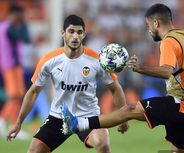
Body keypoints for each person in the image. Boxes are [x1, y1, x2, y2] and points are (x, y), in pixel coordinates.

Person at [60, 4, 184, 153]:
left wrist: (140, 68)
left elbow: (166, 72)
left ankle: (77, 124)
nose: (148, 30)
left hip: (180, 104)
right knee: (178, 150)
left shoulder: (169, 41)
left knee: (129, 110)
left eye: (148, 25)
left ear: (156, 23)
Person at [6, 15, 129, 153]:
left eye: (79, 32)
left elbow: (115, 88)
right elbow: (33, 92)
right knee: (33, 151)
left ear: (84, 34)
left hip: (88, 116)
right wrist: (18, 123)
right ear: (62, 33)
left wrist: (123, 117)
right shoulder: (49, 60)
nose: (75, 36)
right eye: (71, 31)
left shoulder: (97, 60)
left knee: (102, 144)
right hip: (59, 117)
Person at [0, 4, 30, 139]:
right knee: (13, 96)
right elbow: (24, 37)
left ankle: (13, 124)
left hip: (14, 65)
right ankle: (3, 121)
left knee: (18, 96)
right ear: (14, 14)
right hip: (10, 66)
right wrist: (22, 23)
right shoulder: (7, 27)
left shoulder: (8, 26)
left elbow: (26, 39)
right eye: (20, 14)